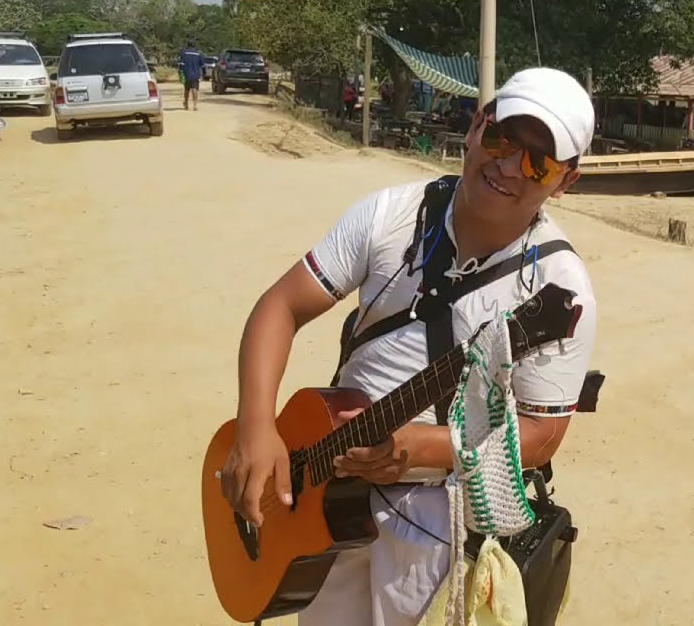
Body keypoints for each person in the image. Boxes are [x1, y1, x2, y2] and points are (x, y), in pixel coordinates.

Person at [218, 67, 600, 626]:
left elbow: (542, 435)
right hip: (325, 492)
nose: (509, 166)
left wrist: (421, 449)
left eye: (538, 162)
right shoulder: (390, 215)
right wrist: (255, 425)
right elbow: (282, 305)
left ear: (565, 181)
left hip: (440, 521)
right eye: (502, 138)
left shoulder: (560, 291)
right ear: (476, 127)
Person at [177, 40, 205, 111]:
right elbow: (202, 64)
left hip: (186, 73)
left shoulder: (184, 52)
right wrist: (203, 74)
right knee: (195, 89)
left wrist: (180, 72)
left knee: (187, 89)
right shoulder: (199, 53)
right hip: (196, 74)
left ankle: (186, 104)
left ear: (188, 45)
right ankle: (195, 105)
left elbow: (181, 64)